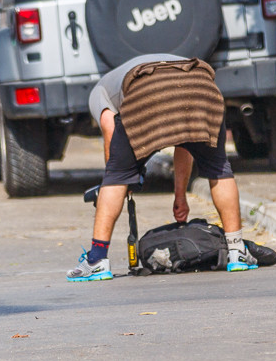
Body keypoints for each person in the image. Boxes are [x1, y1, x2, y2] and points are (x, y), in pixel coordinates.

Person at [67, 53, 258, 281]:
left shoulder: (97, 93)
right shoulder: (151, 63)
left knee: (116, 177)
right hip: (200, 85)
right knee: (218, 167)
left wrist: (120, 179)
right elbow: (184, 141)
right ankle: (237, 252)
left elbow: (109, 127)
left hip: (146, 89)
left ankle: (97, 260)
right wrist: (180, 196)